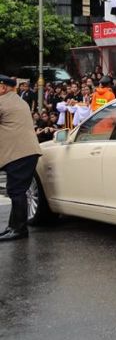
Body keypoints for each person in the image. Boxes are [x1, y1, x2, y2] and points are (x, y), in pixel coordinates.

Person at [0, 75, 44, 241]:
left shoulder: (3, 102)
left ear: (3, 88)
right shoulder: (18, 100)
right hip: (24, 153)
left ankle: (19, 229)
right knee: (15, 190)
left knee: (16, 191)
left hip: (18, 154)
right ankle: (13, 227)